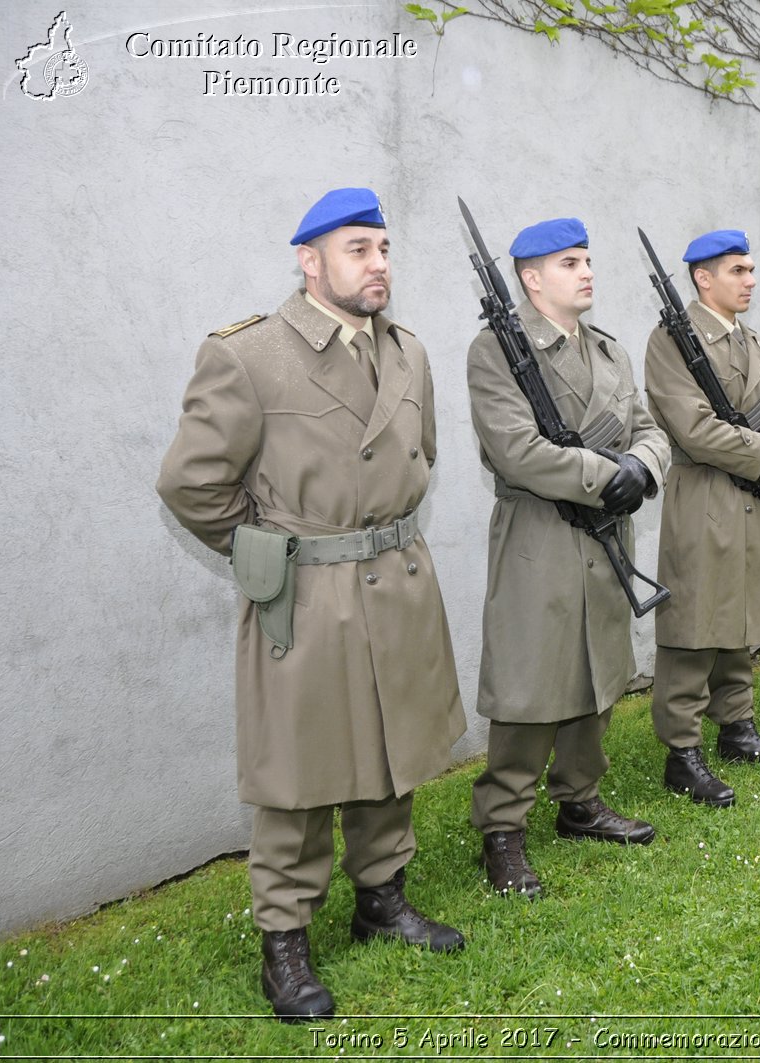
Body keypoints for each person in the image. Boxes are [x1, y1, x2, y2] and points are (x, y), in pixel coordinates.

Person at [156, 188, 467, 1022]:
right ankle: (284, 943)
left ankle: (382, 898)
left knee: (392, 749)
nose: (378, 265)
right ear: (310, 260)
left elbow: (422, 454)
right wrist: (266, 551)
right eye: (359, 249)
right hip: (309, 592)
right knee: (297, 776)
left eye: (385, 248)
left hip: (395, 580)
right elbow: (190, 482)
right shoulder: (251, 355)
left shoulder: (409, 352)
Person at [466, 218, 668, 898]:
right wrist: (608, 476)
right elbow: (515, 450)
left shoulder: (607, 352)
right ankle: (503, 829)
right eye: (569, 262)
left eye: (588, 259)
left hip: (606, 530)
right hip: (541, 534)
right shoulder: (496, 350)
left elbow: (648, 428)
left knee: (599, 667)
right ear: (531, 278)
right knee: (531, 682)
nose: (587, 271)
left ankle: (580, 797)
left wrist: (643, 465)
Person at [644, 229, 760, 805]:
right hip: (704, 494)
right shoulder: (671, 341)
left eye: (751, 269)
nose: (750, 280)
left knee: (740, 614)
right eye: (738, 270)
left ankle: (737, 726)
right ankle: (682, 751)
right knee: (694, 622)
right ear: (703, 278)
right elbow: (692, 427)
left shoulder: (752, 339)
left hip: (752, 497)